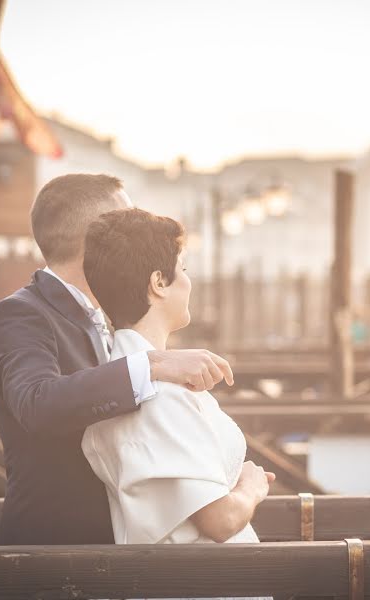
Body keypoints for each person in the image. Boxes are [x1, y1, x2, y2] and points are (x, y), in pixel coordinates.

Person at [0, 174, 237, 545]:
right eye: (125, 216)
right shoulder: (22, 313)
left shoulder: (105, 316)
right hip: (49, 557)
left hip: (114, 553)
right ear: (96, 232)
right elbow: (36, 403)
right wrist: (151, 365)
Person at [81, 207, 275, 556]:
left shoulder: (123, 382)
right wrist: (251, 487)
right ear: (158, 283)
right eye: (182, 270)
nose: (188, 281)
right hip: (199, 583)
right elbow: (219, 519)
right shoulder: (159, 394)